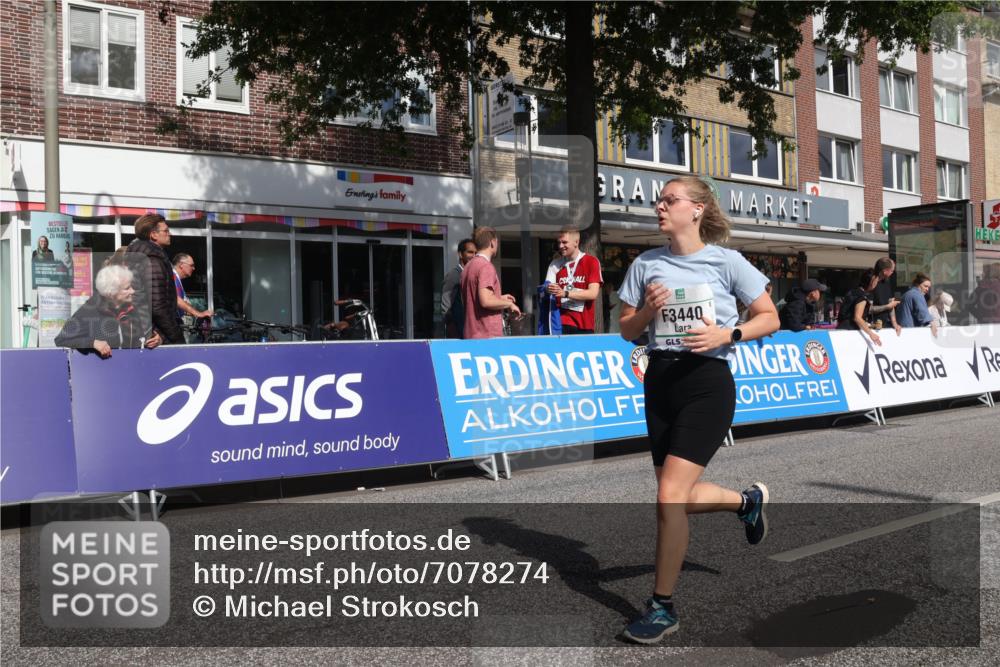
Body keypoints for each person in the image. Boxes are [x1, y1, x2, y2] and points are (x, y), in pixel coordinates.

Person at [617, 176, 779, 644]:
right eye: (658, 201)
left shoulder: (727, 261)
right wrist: (647, 312)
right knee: (675, 501)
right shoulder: (645, 264)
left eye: (670, 200)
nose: (659, 207)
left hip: (707, 383)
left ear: (698, 210)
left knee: (669, 497)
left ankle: (662, 607)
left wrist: (728, 335)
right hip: (660, 383)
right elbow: (627, 330)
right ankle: (747, 502)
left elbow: (769, 316)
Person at [54, 264, 161, 357]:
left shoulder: (131, 309)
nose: (133, 291)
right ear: (111, 293)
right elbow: (61, 340)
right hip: (101, 374)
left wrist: (154, 340)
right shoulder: (89, 310)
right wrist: (93, 343)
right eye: (127, 288)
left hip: (129, 369)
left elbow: (139, 339)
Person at [126, 213, 185, 344]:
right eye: (166, 231)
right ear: (153, 234)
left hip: (150, 333)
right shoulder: (152, 259)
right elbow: (157, 306)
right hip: (155, 337)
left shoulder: (146, 256)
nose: (169, 234)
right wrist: (177, 338)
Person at [460, 226, 521, 339]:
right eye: (497, 242)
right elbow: (486, 301)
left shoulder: (468, 267)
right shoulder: (486, 266)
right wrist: (509, 304)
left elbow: (475, 299)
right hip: (486, 335)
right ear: (492, 242)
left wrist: (500, 298)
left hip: (471, 334)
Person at [544, 227, 604, 334]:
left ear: (576, 242)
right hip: (561, 323)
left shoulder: (591, 262)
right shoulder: (555, 264)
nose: (560, 246)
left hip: (584, 324)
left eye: (564, 242)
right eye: (559, 243)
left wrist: (565, 293)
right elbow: (548, 288)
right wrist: (549, 288)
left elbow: (593, 293)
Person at [837, 268, 882, 346]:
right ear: (872, 283)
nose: (877, 283)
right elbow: (857, 318)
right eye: (876, 281)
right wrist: (871, 334)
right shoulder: (862, 297)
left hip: (841, 328)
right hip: (850, 331)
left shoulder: (852, 292)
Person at [441, 238, 476, 338]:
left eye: (475, 253)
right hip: (458, 333)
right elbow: (446, 307)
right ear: (460, 254)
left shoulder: (470, 275)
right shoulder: (454, 275)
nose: (473, 256)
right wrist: (453, 331)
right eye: (470, 252)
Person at [172, 253, 213, 320]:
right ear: (181, 265)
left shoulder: (176, 278)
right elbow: (176, 299)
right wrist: (198, 313)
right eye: (191, 265)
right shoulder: (172, 277)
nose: (194, 268)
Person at [871, 257, 902, 335]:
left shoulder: (886, 283)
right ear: (885, 271)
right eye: (892, 270)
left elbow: (890, 303)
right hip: (873, 327)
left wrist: (895, 323)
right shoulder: (870, 284)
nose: (893, 273)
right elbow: (867, 309)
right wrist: (887, 306)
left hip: (886, 325)